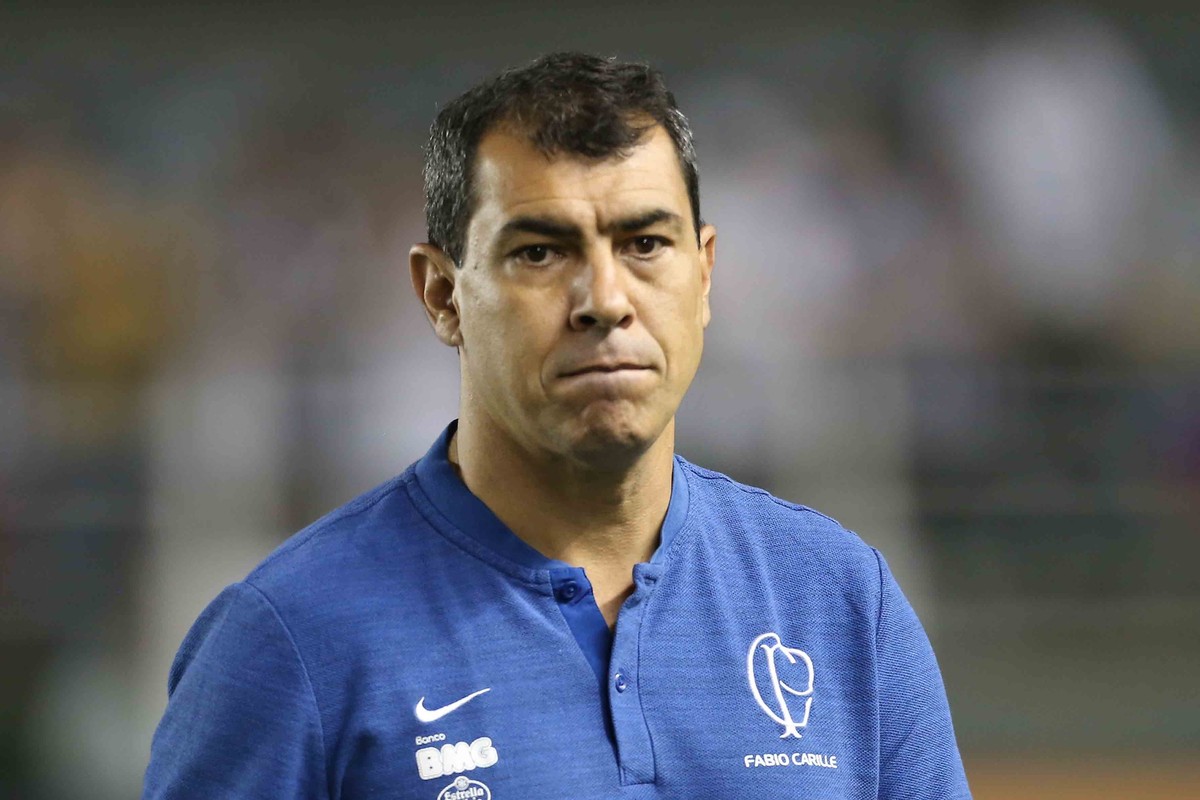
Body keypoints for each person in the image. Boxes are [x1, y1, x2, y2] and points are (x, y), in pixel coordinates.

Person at [143, 52, 971, 799]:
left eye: (645, 243)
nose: (605, 300)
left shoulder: (838, 600)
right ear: (442, 295)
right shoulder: (289, 640)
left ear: (706, 273)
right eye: (540, 252)